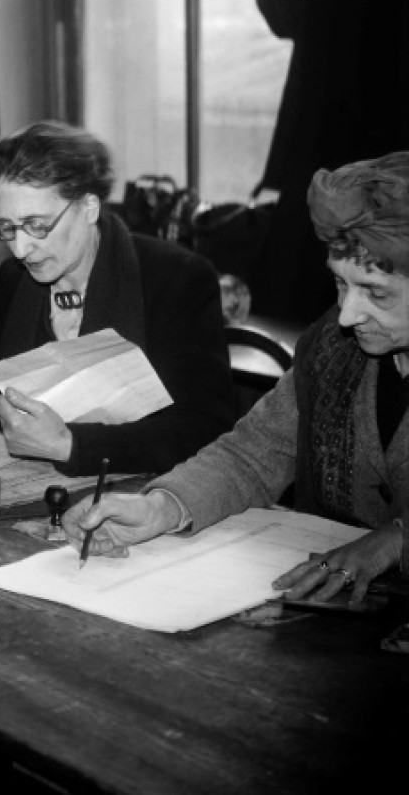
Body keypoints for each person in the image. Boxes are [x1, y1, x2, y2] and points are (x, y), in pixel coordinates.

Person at [65, 152, 409, 602]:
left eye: (376, 292)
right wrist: (161, 508)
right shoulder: (333, 349)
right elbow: (252, 454)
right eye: (341, 284)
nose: (346, 315)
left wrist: (395, 539)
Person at [0, 120, 235, 477]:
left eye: (37, 225)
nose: (20, 249)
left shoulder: (176, 280)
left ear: (89, 207)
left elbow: (207, 429)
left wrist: (72, 445)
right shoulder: (16, 281)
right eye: (6, 227)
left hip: (149, 490)